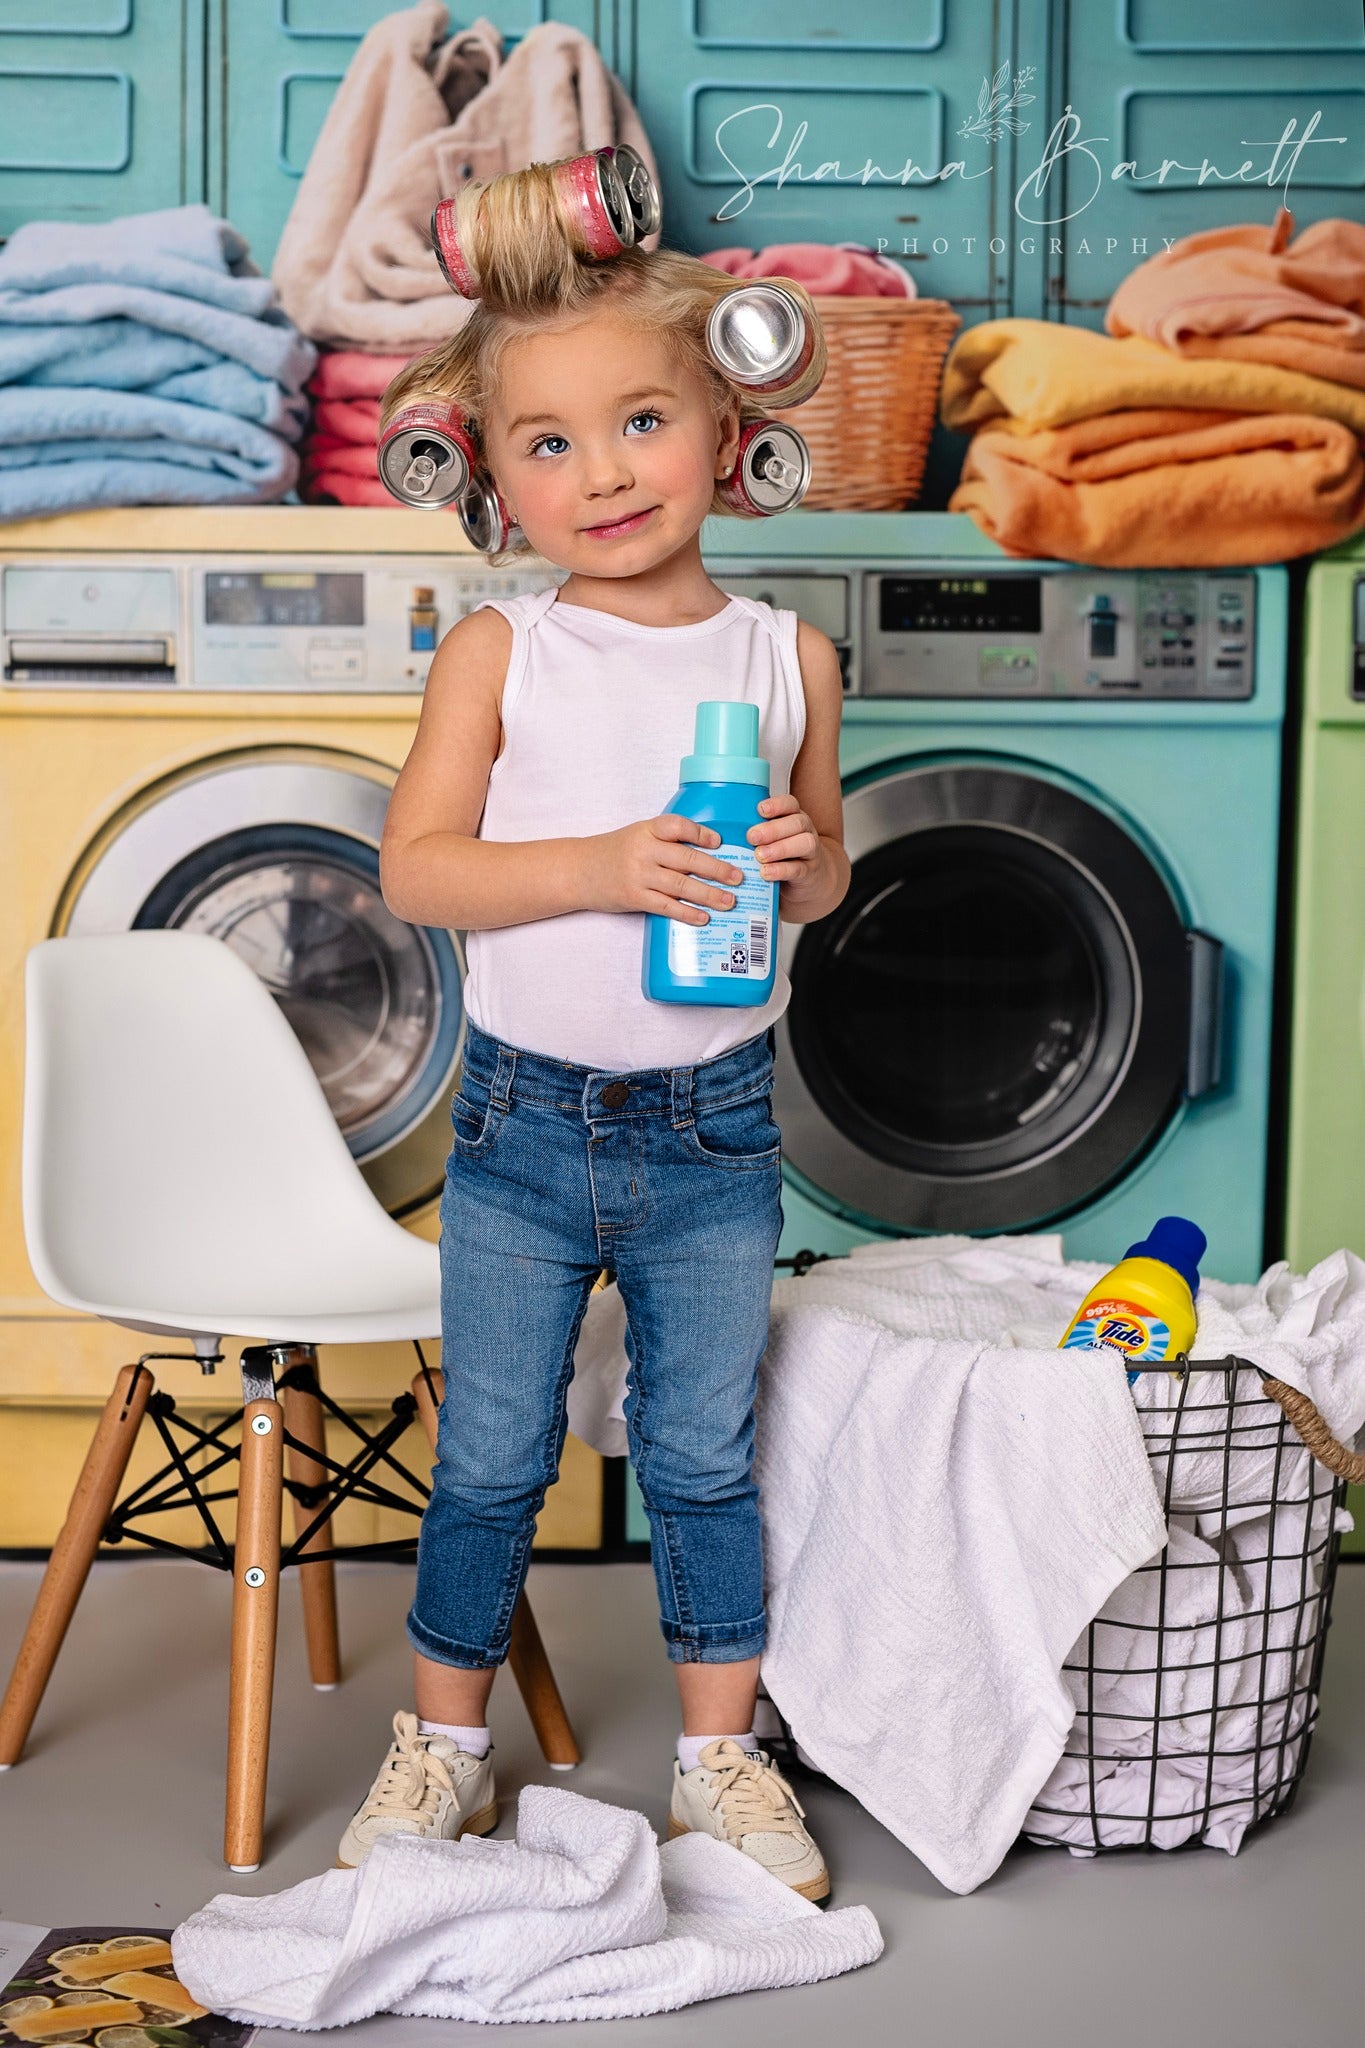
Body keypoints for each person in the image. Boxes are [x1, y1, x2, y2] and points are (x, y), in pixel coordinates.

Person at [335, 159, 850, 1898]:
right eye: (548, 443)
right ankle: (443, 1748)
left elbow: (826, 870)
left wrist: (800, 863)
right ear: (492, 479)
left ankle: (721, 1763)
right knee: (492, 1456)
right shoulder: (502, 652)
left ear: (724, 428)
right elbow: (418, 870)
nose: (605, 473)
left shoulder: (785, 658)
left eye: (641, 421)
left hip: (713, 1128)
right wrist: (602, 866)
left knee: (701, 1456)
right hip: (523, 1128)